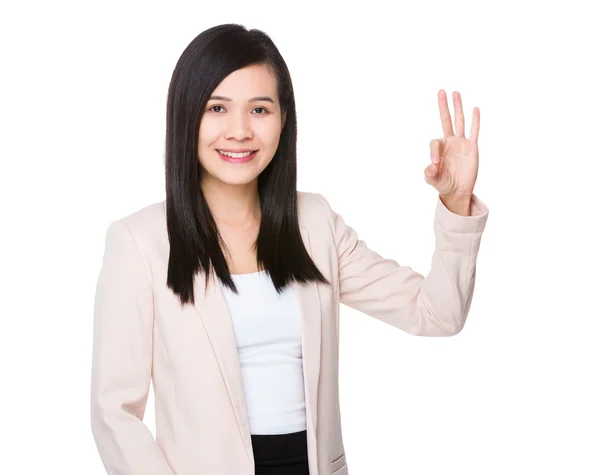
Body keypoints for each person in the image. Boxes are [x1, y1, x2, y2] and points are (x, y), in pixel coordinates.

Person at [90, 23, 489, 475]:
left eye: (259, 109)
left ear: (284, 119)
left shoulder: (314, 222)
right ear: (186, 117)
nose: (239, 131)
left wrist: (456, 203)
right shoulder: (139, 241)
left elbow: (438, 314)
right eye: (217, 107)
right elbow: (114, 412)